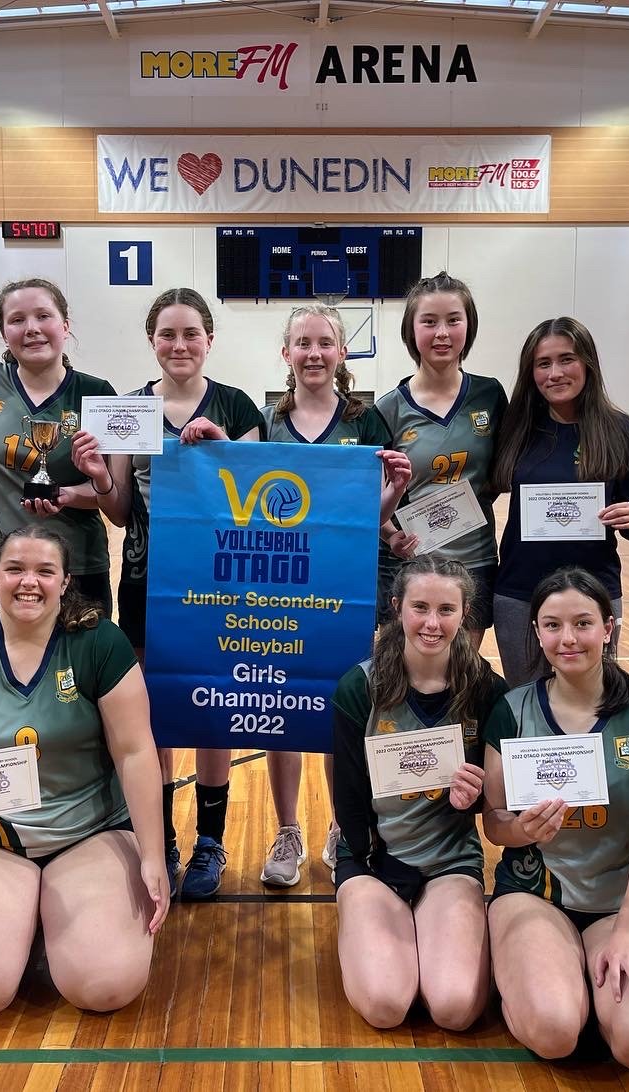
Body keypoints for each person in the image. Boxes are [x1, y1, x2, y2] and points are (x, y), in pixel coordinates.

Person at [0, 526, 168, 1019]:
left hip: (89, 831)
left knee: (105, 986)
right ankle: (23, 920)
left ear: (65, 582)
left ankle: (47, 922)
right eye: (15, 569)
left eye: (45, 570)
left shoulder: (99, 643)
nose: (29, 581)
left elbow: (135, 752)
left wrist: (152, 854)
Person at [70, 287, 263, 900]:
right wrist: (101, 478)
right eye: (167, 335)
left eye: (191, 334)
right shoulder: (127, 409)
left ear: (210, 340)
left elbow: (252, 509)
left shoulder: (236, 404)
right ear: (151, 341)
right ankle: (163, 840)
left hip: (220, 585)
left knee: (212, 711)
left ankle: (210, 839)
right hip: (146, 584)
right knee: (154, 718)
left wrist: (223, 453)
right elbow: (123, 511)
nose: (179, 346)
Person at [482, 567, 629, 1071]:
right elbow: (494, 822)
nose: (567, 638)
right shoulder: (512, 709)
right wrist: (521, 830)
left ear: (608, 628)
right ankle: (546, 984)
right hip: (535, 894)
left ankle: (593, 991)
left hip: (621, 903)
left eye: (582, 623)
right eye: (552, 625)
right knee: (553, 1031)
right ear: (535, 632)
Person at [260, 304, 413, 885]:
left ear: (342, 352)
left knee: (341, 707)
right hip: (281, 586)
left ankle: (341, 824)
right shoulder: (267, 422)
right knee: (281, 708)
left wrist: (394, 493)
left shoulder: (369, 422)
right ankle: (286, 829)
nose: (314, 353)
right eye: (303, 343)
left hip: (347, 586)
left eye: (325, 343)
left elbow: (367, 519)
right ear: (286, 353)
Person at [331, 554, 508, 1030]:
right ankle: (367, 921)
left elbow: (501, 803)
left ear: (464, 614)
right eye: (420, 607)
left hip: (450, 858)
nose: (432, 623)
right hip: (372, 860)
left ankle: (427, 928)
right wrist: (372, 862)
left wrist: (479, 794)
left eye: (446, 610)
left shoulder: (489, 690)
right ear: (397, 608)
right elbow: (347, 796)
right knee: (387, 1005)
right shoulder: (359, 687)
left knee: (453, 1008)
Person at [489, 317, 629, 687]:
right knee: (528, 704)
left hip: (594, 592)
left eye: (567, 359)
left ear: (587, 363)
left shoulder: (621, 430)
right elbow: (481, 490)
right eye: (543, 363)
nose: (555, 373)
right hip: (519, 592)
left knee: (589, 703)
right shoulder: (515, 427)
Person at [0, 277, 124, 616]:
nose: (32, 328)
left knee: (79, 667)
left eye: (43, 316)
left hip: (77, 565)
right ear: (3, 332)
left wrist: (71, 495)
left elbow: (114, 496)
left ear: (65, 325)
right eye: (17, 320)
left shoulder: (97, 392)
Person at [376, 272, 508, 649]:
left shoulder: (490, 395)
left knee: (461, 676)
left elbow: (501, 473)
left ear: (469, 326)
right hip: (411, 564)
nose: (442, 333)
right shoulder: (389, 409)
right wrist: (391, 536)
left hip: (475, 560)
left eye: (454, 320)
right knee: (405, 675)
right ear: (411, 330)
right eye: (429, 322)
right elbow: (377, 497)